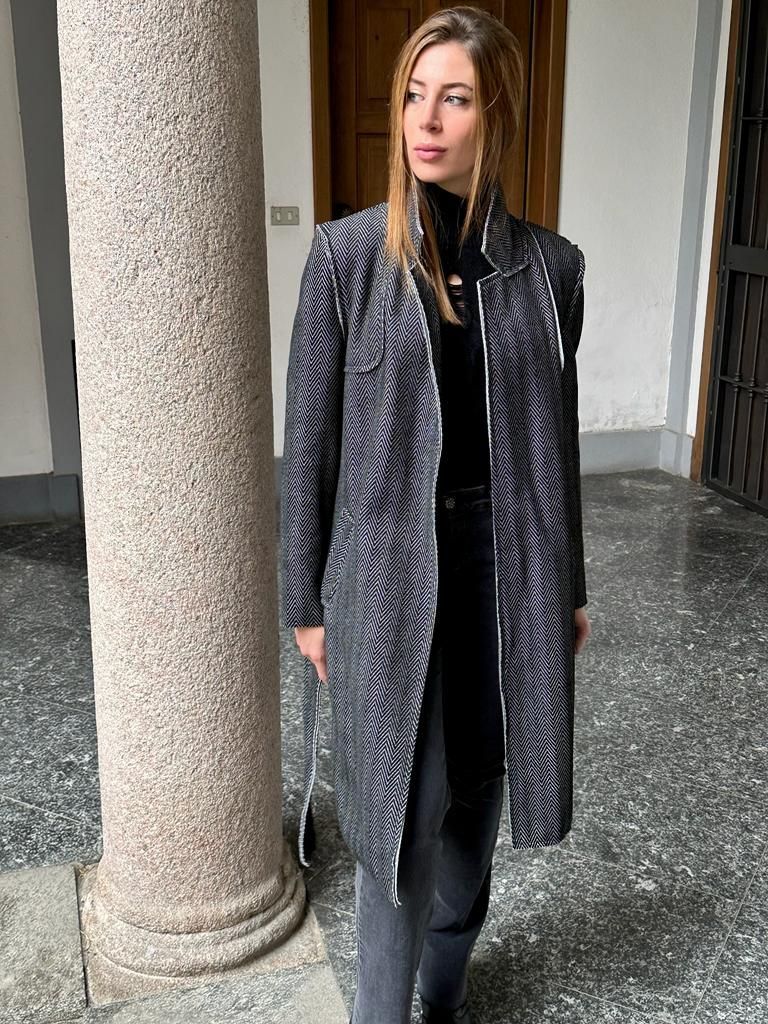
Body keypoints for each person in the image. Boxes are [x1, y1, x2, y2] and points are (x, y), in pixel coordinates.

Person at [280, 7, 591, 1023]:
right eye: (414, 94)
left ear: (494, 113)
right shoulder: (346, 259)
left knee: (475, 812)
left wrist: (569, 588)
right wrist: (307, 602)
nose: (425, 119)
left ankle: (444, 996)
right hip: (386, 575)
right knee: (399, 830)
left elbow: (557, 447)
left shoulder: (550, 271)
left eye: (453, 98)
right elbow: (309, 446)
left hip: (507, 571)